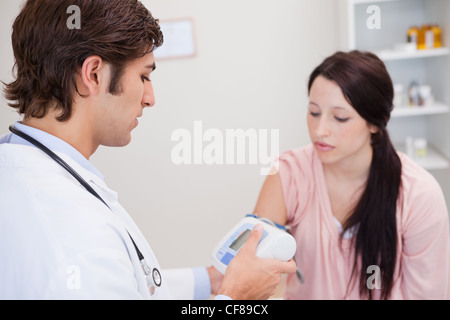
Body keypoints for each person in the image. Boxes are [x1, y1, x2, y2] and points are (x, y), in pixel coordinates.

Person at [0, 0, 296, 300]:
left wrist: (211, 281)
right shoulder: (74, 233)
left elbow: (122, 282)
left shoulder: (21, 168)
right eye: (144, 76)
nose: (150, 98)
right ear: (93, 75)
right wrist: (236, 297)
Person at [253, 50, 450, 299]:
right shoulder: (289, 173)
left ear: (374, 124)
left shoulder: (419, 194)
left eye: (340, 117)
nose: (320, 130)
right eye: (314, 112)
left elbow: (428, 294)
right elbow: (251, 262)